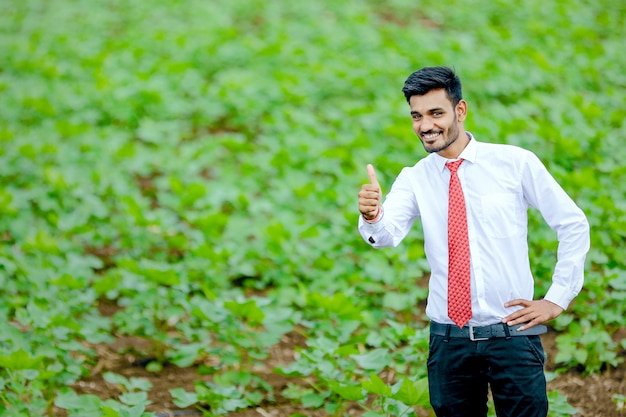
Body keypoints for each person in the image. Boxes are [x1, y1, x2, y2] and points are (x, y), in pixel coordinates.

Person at [357, 66, 590, 417]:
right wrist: (373, 214)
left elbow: (572, 223)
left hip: (512, 335)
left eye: (436, 113)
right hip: (449, 340)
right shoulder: (415, 178)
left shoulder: (514, 162)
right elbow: (386, 235)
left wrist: (557, 298)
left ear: (460, 110)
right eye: (416, 116)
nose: (425, 125)